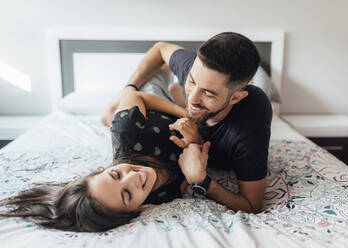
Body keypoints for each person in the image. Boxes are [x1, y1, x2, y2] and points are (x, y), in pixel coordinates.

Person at [0, 69, 204, 232]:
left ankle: (113, 109)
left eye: (116, 174)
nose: (133, 178)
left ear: (103, 170)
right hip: (176, 113)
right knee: (180, 90)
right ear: (131, 213)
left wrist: (187, 115)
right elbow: (193, 170)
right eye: (126, 195)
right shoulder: (161, 196)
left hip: (153, 106)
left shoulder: (128, 132)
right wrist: (195, 142)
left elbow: (137, 96)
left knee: (161, 71)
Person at [116, 32, 273, 213]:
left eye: (208, 93)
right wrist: (129, 88)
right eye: (191, 81)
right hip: (180, 108)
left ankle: (174, 91)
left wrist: (202, 181)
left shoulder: (250, 125)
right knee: (150, 84)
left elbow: (252, 205)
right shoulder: (197, 67)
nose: (193, 97)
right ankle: (175, 90)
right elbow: (159, 48)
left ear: (236, 97)